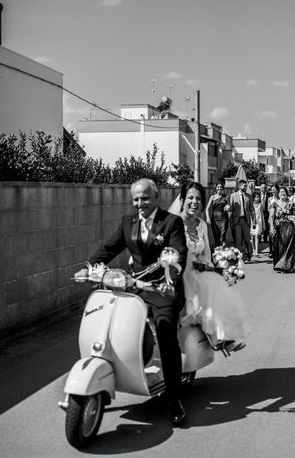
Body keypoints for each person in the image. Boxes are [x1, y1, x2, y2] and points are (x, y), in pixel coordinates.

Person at [74, 178, 188, 425]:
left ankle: (174, 398)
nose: (139, 203)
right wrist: (88, 268)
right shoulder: (128, 222)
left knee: (166, 333)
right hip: (134, 284)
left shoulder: (172, 222)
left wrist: (171, 276)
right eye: (135, 198)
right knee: (111, 317)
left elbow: (177, 254)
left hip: (161, 289)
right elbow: (108, 248)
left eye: (144, 198)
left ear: (156, 197)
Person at [177, 182, 248, 353]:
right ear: (182, 199)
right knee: (203, 290)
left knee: (216, 285)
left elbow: (206, 253)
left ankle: (220, 337)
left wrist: (215, 267)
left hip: (198, 269)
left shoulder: (201, 225)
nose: (195, 202)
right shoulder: (174, 223)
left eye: (198, 199)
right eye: (190, 198)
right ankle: (215, 337)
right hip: (179, 272)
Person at [269, 185, 295, 273]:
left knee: (288, 247)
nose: (283, 194)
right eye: (281, 192)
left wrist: (291, 216)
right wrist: (271, 227)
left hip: (289, 227)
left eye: (284, 192)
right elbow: (271, 216)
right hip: (278, 227)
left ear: (287, 194)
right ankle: (279, 265)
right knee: (278, 247)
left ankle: (286, 266)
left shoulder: (291, 204)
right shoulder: (274, 204)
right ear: (278, 193)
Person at [228, 179, 255, 262]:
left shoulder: (249, 196)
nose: (246, 187)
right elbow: (231, 208)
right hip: (237, 221)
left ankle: (249, 253)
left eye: (246, 186)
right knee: (238, 239)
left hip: (246, 220)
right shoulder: (233, 196)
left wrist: (254, 221)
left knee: (247, 239)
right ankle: (241, 255)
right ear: (239, 186)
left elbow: (252, 209)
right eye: (244, 186)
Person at [205, 179, 229, 248]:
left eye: (221, 187)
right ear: (216, 188)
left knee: (223, 235)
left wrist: (228, 208)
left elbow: (227, 207)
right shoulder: (212, 197)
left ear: (223, 188)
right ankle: (217, 254)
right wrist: (207, 218)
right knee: (216, 236)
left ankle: (222, 252)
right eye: (218, 187)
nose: (219, 188)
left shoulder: (225, 197)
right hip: (214, 219)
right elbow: (207, 208)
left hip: (224, 218)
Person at [267, 183, 280, 259]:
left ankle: (277, 250)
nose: (272, 191)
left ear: (277, 190)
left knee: (278, 234)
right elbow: (268, 209)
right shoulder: (269, 199)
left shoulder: (280, 198)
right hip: (271, 219)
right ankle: (271, 251)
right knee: (271, 234)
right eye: (272, 190)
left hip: (278, 219)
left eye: (274, 189)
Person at [250, 192, 265, 257]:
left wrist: (263, 223)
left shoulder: (260, 205)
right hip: (252, 222)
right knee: (252, 236)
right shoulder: (251, 204)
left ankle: (256, 251)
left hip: (259, 222)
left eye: (258, 197)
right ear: (253, 198)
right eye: (256, 197)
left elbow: (262, 214)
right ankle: (253, 250)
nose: (257, 198)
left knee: (257, 236)